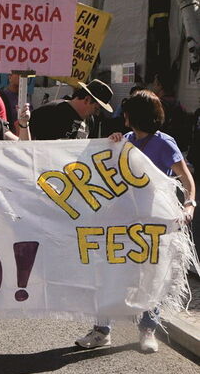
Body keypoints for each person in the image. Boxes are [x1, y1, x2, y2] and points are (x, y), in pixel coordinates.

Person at [75, 90, 196, 353]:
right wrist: (111, 145)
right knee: (109, 271)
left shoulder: (165, 144)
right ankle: (101, 330)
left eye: (127, 111)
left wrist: (190, 204)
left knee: (149, 274)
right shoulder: (123, 141)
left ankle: (147, 328)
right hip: (119, 220)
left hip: (152, 221)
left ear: (135, 115)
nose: (123, 115)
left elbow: (186, 179)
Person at [28, 80, 113, 141]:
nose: (97, 114)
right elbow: (26, 142)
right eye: (96, 108)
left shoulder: (90, 121)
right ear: (87, 100)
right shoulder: (50, 112)